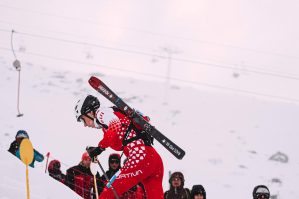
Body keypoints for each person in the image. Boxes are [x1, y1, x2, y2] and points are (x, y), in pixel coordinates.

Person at [75, 95, 164, 198]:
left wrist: (100, 148)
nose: (85, 125)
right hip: (154, 159)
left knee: (108, 195)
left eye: (82, 119)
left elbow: (115, 125)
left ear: (89, 112)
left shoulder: (101, 113)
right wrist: (97, 148)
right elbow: (114, 133)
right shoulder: (111, 117)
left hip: (140, 157)